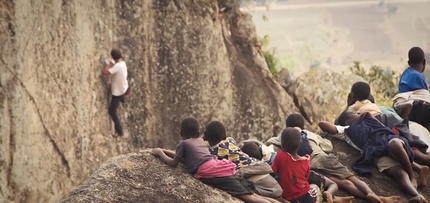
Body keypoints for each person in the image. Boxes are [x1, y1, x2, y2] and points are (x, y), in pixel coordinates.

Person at [151, 117, 277, 203]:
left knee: (248, 198)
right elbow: (183, 159)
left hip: (217, 174)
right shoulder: (200, 142)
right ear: (199, 133)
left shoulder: (183, 144)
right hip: (226, 168)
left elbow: (174, 163)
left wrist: (160, 153)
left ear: (181, 132)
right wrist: (165, 151)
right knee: (255, 195)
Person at [283, 113, 399, 203]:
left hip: (307, 165)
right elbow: (328, 146)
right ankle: (372, 194)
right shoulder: (310, 134)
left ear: (287, 127)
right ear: (302, 125)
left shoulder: (285, 137)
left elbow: (273, 146)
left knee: (340, 183)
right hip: (322, 157)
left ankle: (334, 196)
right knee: (351, 179)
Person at [319, 111, 428, 203]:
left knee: (394, 144)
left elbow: (383, 129)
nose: (358, 113)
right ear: (347, 121)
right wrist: (342, 124)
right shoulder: (346, 131)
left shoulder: (369, 120)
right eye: (354, 113)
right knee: (399, 174)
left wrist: (370, 116)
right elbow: (322, 124)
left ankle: (413, 175)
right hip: (377, 153)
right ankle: (417, 195)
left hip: (391, 141)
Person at [240, 140, 355, 203]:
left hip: (290, 192)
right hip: (300, 177)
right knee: (323, 185)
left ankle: (332, 198)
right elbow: (257, 142)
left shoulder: (261, 170)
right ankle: (331, 195)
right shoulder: (274, 154)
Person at [203, 121, 283, 202]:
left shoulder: (212, 153)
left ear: (205, 137)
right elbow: (240, 144)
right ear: (225, 136)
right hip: (260, 169)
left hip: (257, 182)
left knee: (255, 195)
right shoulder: (230, 141)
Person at [271, 127, 317, 203]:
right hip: (305, 195)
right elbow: (306, 177)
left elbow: (272, 172)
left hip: (288, 197)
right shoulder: (306, 161)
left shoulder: (280, 156)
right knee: (314, 187)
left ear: (282, 144)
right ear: (300, 143)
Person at [394, 47, 430, 131]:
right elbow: (424, 98)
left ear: (409, 63)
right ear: (424, 62)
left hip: (402, 107)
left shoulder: (405, 74)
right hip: (413, 109)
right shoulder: (418, 76)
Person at [103, 49, 129, 138]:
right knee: (121, 95)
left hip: (117, 92)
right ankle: (123, 98)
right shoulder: (122, 63)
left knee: (112, 111)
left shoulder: (117, 67)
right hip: (124, 88)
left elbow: (106, 72)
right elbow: (117, 68)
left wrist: (107, 64)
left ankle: (119, 131)